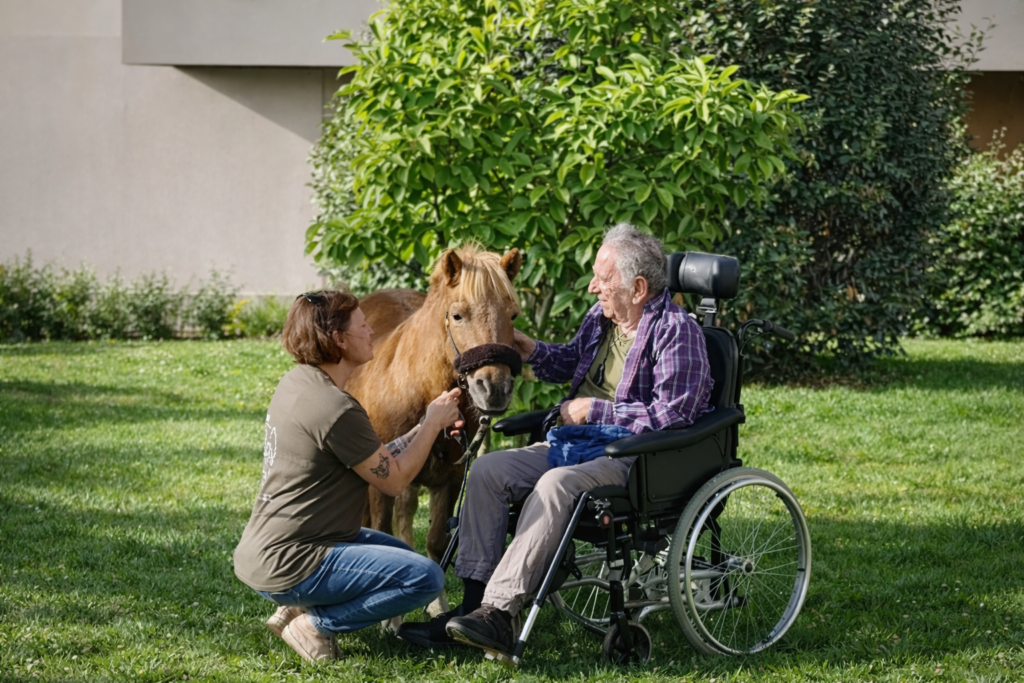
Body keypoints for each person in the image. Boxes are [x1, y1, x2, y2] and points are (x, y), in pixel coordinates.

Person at [396, 223, 714, 657]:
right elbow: (571, 362)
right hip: (575, 442)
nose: (591, 287)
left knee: (555, 484)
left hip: (632, 457)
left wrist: (595, 410)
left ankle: (500, 614)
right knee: (489, 469)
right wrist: (527, 348)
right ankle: (470, 612)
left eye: (603, 279)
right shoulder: (603, 321)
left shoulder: (677, 332)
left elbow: (674, 415)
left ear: (638, 288)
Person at [233, 290, 464, 662]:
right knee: (425, 578)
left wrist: (423, 425)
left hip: (271, 547)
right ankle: (315, 624)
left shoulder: (299, 382)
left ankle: (296, 606)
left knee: (404, 556)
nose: (371, 330)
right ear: (338, 340)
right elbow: (395, 481)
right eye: (362, 325)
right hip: (294, 560)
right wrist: (434, 424)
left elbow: (375, 458)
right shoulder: (336, 409)